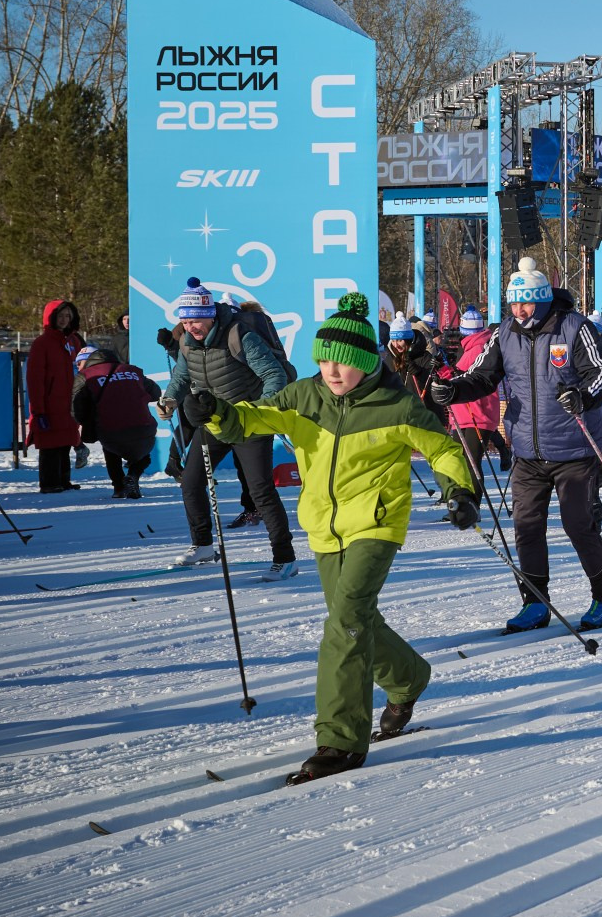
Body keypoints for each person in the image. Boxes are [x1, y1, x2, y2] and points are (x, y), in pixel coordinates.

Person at [195, 291, 476, 784]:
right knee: (354, 618)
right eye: (325, 359)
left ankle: (341, 741)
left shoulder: (397, 404)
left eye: (343, 362)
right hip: (323, 528)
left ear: (367, 363)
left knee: (344, 624)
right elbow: (254, 416)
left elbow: (442, 450)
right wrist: (216, 411)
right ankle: (408, 678)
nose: (331, 370)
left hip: (375, 525)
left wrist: (459, 492)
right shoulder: (305, 397)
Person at [431, 258, 602, 633]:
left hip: (574, 449)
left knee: (578, 524)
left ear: (543, 300)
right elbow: (482, 376)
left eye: (526, 303)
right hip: (527, 452)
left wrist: (582, 396)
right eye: (514, 303)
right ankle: (535, 602)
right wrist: (453, 390)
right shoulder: (505, 334)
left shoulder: (573, 328)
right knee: (526, 526)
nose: (519, 310)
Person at [159, 280, 300, 579]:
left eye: (195, 320)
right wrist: (169, 399)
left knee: (261, 491)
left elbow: (273, 374)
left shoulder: (240, 335)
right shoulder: (186, 342)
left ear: (210, 315)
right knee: (191, 481)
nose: (190, 327)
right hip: (215, 420)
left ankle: (285, 558)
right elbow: (182, 377)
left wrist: (259, 411)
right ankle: (203, 544)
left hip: (249, 421)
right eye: (184, 321)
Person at [71, 346, 159, 499]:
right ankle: (133, 476)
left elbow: (76, 408)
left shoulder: (85, 376)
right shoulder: (133, 371)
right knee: (143, 454)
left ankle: (119, 487)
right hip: (144, 428)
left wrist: (88, 422)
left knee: (111, 451)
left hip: (110, 430)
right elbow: (155, 393)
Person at [446, 306, 508, 487]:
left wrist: (449, 373)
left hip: (477, 414)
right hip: (463, 414)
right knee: (459, 461)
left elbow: (465, 376)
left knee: (470, 462)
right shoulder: (470, 347)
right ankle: (462, 503)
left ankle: (471, 506)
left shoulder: (478, 348)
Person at [27, 299, 85, 493]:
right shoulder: (42, 343)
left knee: (65, 442)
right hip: (50, 403)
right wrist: (38, 410)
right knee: (50, 445)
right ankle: (50, 482)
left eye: (67, 316)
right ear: (51, 318)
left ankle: (63, 480)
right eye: (60, 316)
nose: (64, 320)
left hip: (69, 402)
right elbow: (35, 380)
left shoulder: (73, 341)